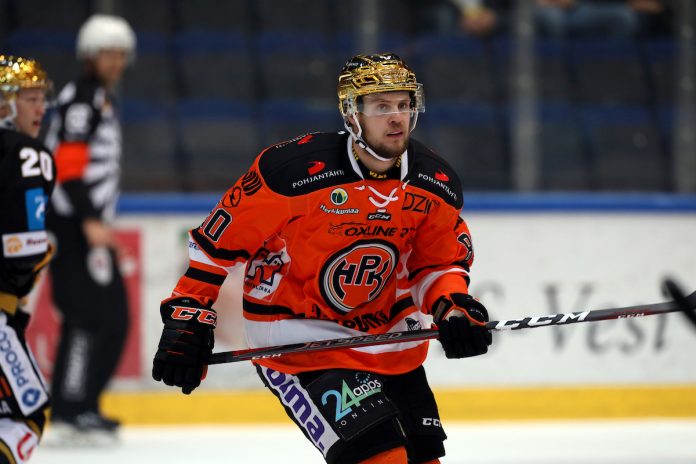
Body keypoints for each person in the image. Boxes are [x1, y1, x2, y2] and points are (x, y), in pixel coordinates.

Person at [152, 53, 494, 464]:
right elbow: (216, 247)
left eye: (404, 104)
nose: (396, 117)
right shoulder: (291, 173)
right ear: (352, 114)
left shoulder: (433, 181)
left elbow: (436, 264)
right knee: (382, 459)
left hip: (389, 340)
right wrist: (188, 312)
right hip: (300, 341)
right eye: (381, 106)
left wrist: (452, 306)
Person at [43, 14, 135, 442]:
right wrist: (90, 220)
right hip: (72, 225)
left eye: (120, 54)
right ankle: (68, 410)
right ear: (89, 56)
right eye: (107, 53)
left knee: (113, 317)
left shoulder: (98, 98)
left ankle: (85, 405)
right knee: (84, 316)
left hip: (87, 225)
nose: (116, 62)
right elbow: (68, 165)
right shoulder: (82, 99)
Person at [0, 55, 54, 463]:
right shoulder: (27, 154)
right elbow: (24, 251)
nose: (41, 108)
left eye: (41, 98)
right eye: (29, 98)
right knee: (28, 415)